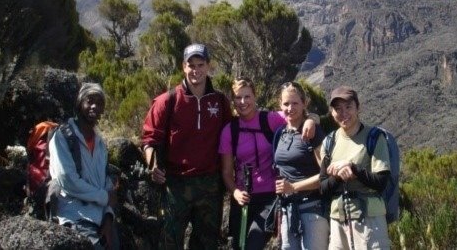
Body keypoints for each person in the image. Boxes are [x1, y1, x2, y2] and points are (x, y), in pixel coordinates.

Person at [141, 43, 233, 249]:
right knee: (169, 242)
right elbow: (149, 139)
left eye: (200, 64)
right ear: (183, 67)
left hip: (210, 185)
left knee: (206, 243)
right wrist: (153, 164)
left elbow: (233, 136)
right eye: (191, 65)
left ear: (208, 66)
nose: (196, 70)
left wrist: (310, 119)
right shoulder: (167, 101)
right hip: (175, 184)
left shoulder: (220, 101)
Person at [219, 77, 316, 250]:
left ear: (255, 97)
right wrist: (235, 193)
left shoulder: (270, 119)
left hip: (269, 198)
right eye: (238, 97)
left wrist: (311, 120)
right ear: (232, 100)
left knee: (253, 244)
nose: (243, 102)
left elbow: (297, 115)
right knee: (238, 246)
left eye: (247, 97)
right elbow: (226, 172)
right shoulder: (229, 130)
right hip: (242, 199)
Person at [49, 82, 119, 249]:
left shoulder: (101, 145)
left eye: (100, 103)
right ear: (80, 103)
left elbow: (106, 185)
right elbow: (68, 181)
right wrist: (104, 197)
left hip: (100, 218)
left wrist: (108, 217)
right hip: (74, 216)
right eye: (90, 100)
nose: (94, 106)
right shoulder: (62, 137)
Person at [320, 86, 391, 250]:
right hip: (339, 221)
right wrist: (339, 176)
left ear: (358, 108)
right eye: (338, 109)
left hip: (370, 221)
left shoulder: (374, 137)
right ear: (332, 113)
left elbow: (381, 182)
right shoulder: (329, 142)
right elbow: (323, 188)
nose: (343, 113)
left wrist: (353, 168)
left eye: (348, 107)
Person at [273, 82, 329, 250]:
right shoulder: (280, 133)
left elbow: (326, 175)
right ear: (279, 105)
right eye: (286, 103)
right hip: (287, 210)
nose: (290, 108)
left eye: (295, 103)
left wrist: (293, 186)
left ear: (304, 103)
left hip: (313, 209)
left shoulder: (314, 133)